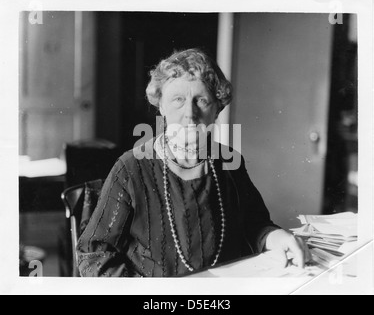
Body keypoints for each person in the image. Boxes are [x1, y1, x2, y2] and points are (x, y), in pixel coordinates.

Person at [77, 48, 310, 277]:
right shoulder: (131, 168)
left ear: (217, 109)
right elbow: (94, 255)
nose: (190, 113)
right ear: (161, 106)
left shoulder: (230, 163)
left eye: (202, 101)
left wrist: (278, 238)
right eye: (178, 100)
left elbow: (255, 225)